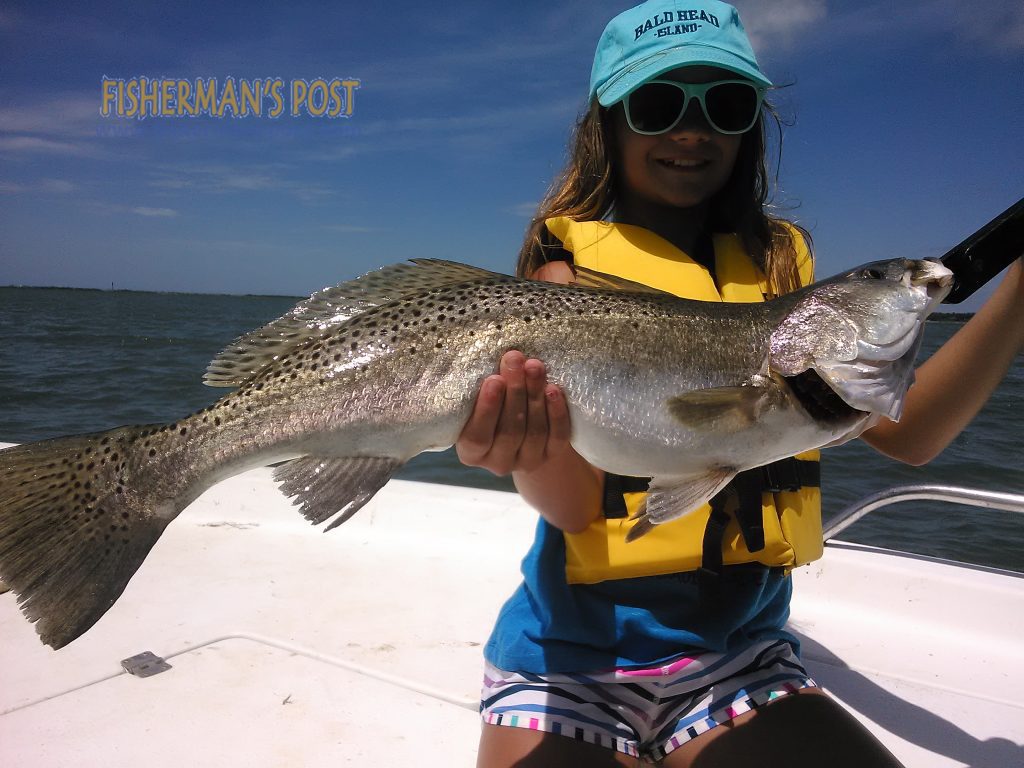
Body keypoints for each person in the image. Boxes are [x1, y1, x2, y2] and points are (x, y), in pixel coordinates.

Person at [457, 1, 1024, 765]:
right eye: (659, 105)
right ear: (609, 124)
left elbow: (912, 433)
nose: (691, 130)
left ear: (748, 125)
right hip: (571, 662)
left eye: (723, 105)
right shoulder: (564, 277)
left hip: (742, 662)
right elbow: (573, 506)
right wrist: (522, 448)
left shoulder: (786, 271)